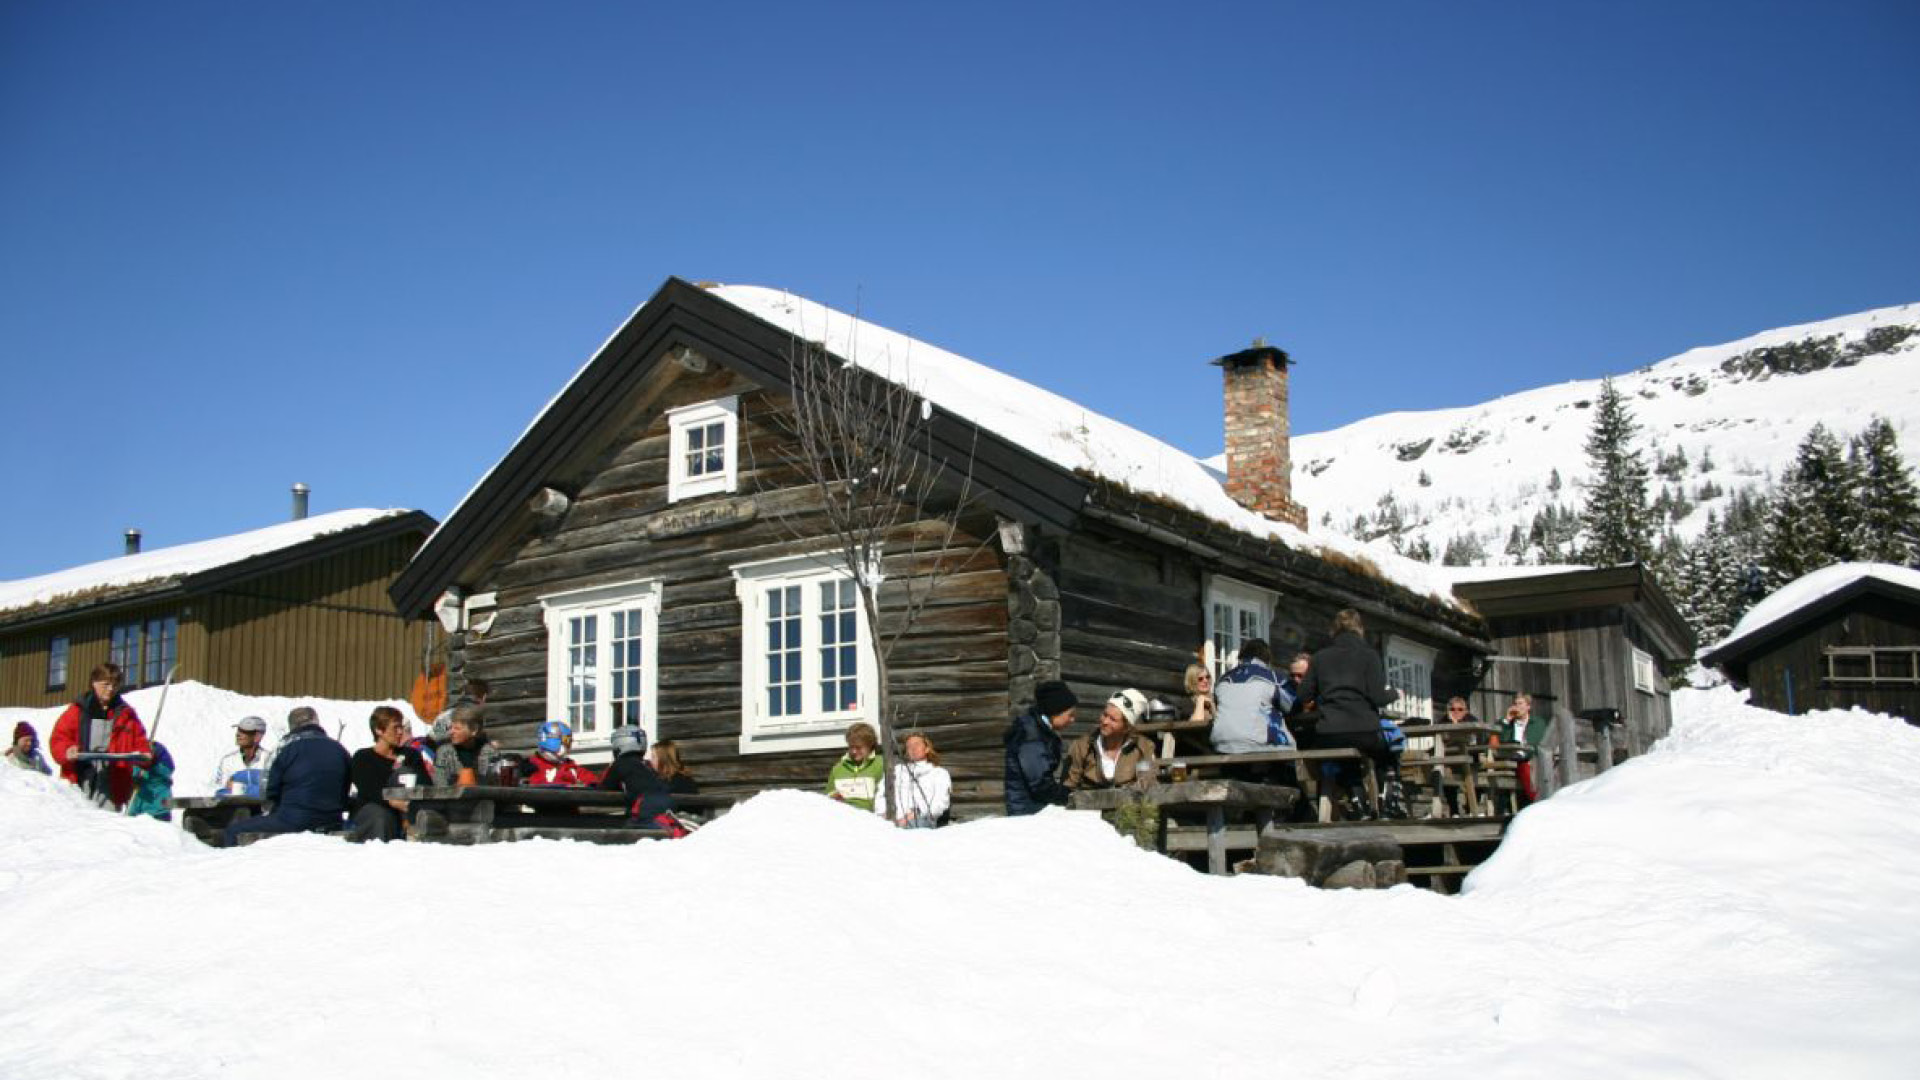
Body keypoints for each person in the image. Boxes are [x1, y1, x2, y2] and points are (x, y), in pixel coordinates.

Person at [1298, 610, 1408, 818]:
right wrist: (1395, 693)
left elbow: (1303, 695)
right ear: (1359, 629)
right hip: (1364, 729)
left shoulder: (1320, 658)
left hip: (1329, 732)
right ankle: (1388, 803)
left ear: (1334, 631)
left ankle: (1358, 803)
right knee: (1388, 751)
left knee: (1344, 753)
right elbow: (1377, 697)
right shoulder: (1369, 655)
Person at [223, 706, 351, 846]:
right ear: (317, 723)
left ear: (292, 726)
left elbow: (268, 791)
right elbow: (345, 789)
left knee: (233, 831)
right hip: (332, 820)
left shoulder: (284, 749)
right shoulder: (339, 749)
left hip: (293, 819)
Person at [49, 663, 152, 809]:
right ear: (94, 683)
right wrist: (67, 751)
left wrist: (144, 755)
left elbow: (140, 741)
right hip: (81, 776)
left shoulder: (126, 714)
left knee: (106, 824)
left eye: (115, 685)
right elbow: (59, 738)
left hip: (113, 780)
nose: (110, 689)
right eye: (106, 684)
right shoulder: (77, 711)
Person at [347, 707, 429, 842]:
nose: (400, 732)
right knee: (381, 817)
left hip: (408, 807)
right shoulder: (363, 757)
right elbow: (368, 789)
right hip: (374, 807)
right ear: (379, 730)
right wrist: (392, 801)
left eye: (401, 727)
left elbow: (424, 782)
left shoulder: (410, 755)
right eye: (395, 728)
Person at [1209, 639, 1295, 755]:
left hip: (1222, 743)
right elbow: (1292, 706)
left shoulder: (1222, 680)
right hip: (1257, 744)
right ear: (1266, 658)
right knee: (1291, 750)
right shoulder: (1273, 678)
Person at [1004, 680, 1077, 816]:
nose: (1072, 720)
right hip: (1027, 811)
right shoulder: (1031, 736)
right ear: (1055, 711)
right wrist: (1068, 796)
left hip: (1032, 808)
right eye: (1070, 715)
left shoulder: (1039, 730)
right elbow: (1040, 784)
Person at [1064, 689, 1158, 791]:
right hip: (1088, 804)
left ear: (1126, 727)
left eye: (1113, 719)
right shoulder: (1082, 746)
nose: (1105, 721)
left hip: (1126, 804)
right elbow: (1069, 785)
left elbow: (1147, 785)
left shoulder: (1143, 748)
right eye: (1105, 715)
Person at [598, 725, 679, 831]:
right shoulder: (647, 765)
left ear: (620, 744)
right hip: (667, 805)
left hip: (645, 809)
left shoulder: (620, 764)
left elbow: (605, 788)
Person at [878, 731, 952, 828]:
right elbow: (881, 795)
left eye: (917, 744)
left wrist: (916, 814)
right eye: (909, 746)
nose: (913, 748)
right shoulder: (897, 771)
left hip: (922, 820)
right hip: (892, 819)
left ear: (927, 748)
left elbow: (941, 803)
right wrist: (884, 813)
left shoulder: (939, 773)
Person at [1495, 693, 1550, 807]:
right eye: (1515, 704)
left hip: (1533, 757)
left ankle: (1538, 801)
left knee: (1530, 767)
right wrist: (1507, 720)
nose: (1517, 707)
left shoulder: (1538, 723)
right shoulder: (1507, 723)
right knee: (1523, 767)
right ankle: (1535, 801)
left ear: (1528, 706)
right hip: (1513, 758)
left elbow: (1541, 742)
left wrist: (1530, 752)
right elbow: (1501, 741)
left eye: (1520, 703)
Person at [432, 704, 501, 786]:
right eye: (451, 728)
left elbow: (495, 785)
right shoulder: (445, 753)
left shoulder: (490, 753)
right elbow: (440, 785)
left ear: (474, 730)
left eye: (457, 728)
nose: (451, 732)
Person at [826, 722, 885, 810]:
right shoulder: (838, 768)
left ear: (870, 745)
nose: (854, 751)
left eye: (858, 747)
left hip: (871, 818)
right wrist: (834, 796)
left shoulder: (881, 765)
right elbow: (828, 795)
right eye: (851, 747)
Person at [520, 721, 598, 786]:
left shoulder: (571, 768)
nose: (567, 746)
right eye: (566, 740)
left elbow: (594, 783)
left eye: (569, 741)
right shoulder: (529, 767)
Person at [212, 716, 273, 798]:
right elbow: (220, 789)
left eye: (245, 731)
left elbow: (272, 790)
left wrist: (243, 788)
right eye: (239, 730)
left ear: (257, 737)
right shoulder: (227, 761)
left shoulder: (270, 759)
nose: (238, 734)